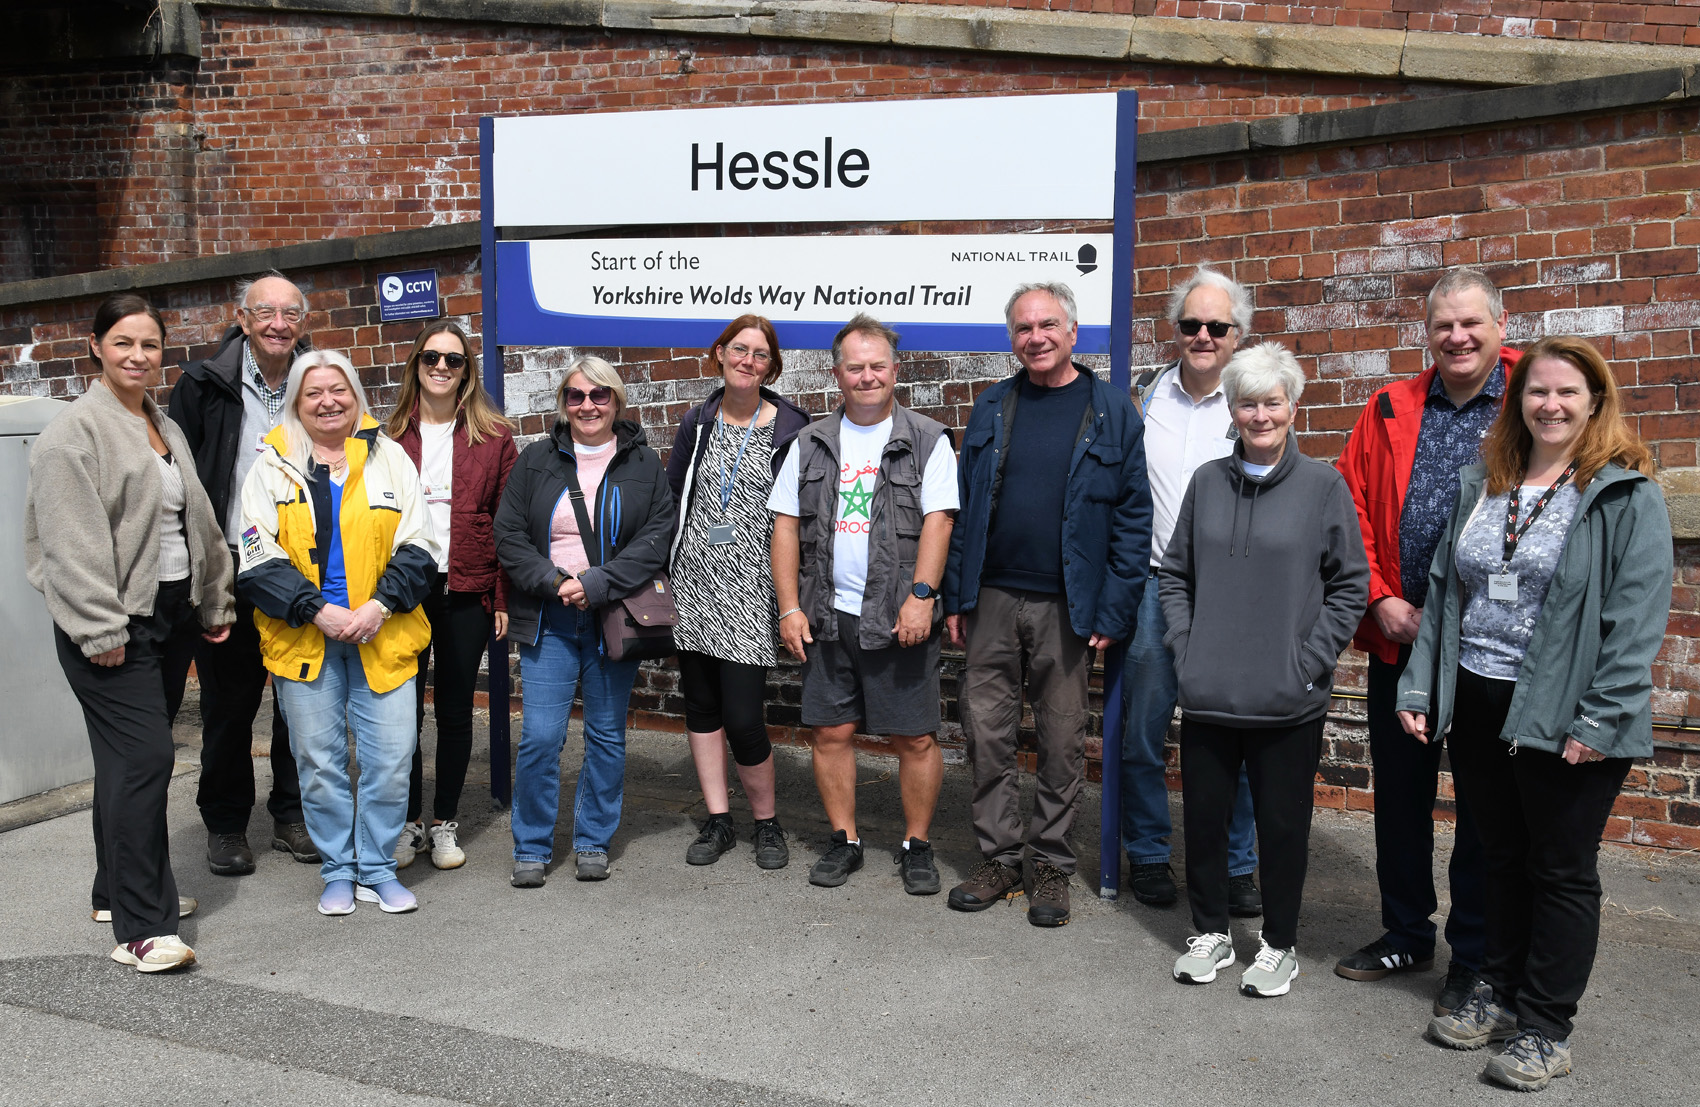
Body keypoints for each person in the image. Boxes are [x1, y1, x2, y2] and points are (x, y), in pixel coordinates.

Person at [1396, 336, 1671, 1090]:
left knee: (1560, 869)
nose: (1550, 404)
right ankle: (1500, 987)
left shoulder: (1624, 494)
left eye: (1567, 392)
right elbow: (1445, 594)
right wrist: (1422, 687)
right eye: (1537, 391)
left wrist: (1601, 718)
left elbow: (1636, 619)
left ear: (1595, 402)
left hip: (1566, 708)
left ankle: (1547, 1026)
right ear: (1518, 401)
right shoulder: (1486, 482)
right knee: (1500, 855)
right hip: (1480, 697)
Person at [25, 293, 236, 972]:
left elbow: (197, 520)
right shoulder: (73, 434)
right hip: (112, 626)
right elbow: (69, 545)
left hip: (170, 616)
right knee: (146, 759)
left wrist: (214, 601)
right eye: (123, 342)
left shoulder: (160, 422)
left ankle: (111, 890)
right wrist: (99, 628)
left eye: (149, 344)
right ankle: (143, 926)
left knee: (125, 761)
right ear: (95, 346)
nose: (138, 356)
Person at [1335, 266, 1515, 1013]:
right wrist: (1379, 598)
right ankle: (1407, 930)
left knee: (1484, 809)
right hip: (1403, 638)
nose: (1458, 337)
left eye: (1471, 323)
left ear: (1500, 326)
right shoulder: (1389, 407)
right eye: (1444, 325)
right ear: (1428, 333)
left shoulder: (1536, 397)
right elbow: (1349, 507)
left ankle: (1475, 957)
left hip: (1491, 649)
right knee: (1401, 799)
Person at [1162, 342, 1368, 997]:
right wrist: (1186, 650)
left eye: (1272, 402)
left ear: (1292, 407)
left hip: (1287, 698)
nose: (1260, 415)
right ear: (1233, 409)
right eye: (1247, 403)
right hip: (1210, 693)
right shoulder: (1206, 483)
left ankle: (1279, 945)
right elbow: (1174, 575)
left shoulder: (1322, 486)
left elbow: (1350, 585)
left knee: (1282, 830)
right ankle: (1211, 933)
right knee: (1204, 822)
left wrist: (1310, 661)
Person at [943, 282, 1151, 927]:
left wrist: (1114, 608)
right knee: (986, 734)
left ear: (1073, 332)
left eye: (1048, 325)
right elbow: (963, 507)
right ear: (1013, 338)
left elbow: (1133, 519)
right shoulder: (992, 405)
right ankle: (998, 859)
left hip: (1069, 604)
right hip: (991, 596)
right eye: (1023, 328)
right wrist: (956, 594)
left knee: (1061, 740)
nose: (1035, 338)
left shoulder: (1112, 411)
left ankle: (1052, 866)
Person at [237, 349, 438, 917]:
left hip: (382, 631)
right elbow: (255, 555)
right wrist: (315, 609)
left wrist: (379, 605)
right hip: (306, 637)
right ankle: (338, 871)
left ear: (355, 396)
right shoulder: (272, 466)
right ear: (296, 404)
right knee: (320, 764)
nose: (328, 402)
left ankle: (377, 868)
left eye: (338, 390)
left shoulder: (389, 457)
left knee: (392, 760)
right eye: (313, 393)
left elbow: (421, 544)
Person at [769, 315, 958, 894]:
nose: (867, 376)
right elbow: (784, 525)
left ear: (895, 371)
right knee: (831, 733)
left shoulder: (928, 439)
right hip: (827, 615)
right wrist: (789, 607)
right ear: (837, 374)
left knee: (915, 738)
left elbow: (939, 520)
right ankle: (844, 839)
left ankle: (917, 844)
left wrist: (921, 597)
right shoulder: (810, 442)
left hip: (899, 615)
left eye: (878, 366)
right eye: (856, 367)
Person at [495, 358, 675, 887]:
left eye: (599, 395)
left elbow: (656, 540)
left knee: (606, 735)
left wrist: (594, 584)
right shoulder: (535, 460)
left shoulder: (644, 463)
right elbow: (509, 535)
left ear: (616, 401)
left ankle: (593, 839)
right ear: (563, 403)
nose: (588, 405)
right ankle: (531, 845)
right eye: (575, 396)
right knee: (540, 737)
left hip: (612, 614)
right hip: (549, 616)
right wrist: (554, 582)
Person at [1122, 264, 1261, 915]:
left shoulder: (1254, 403)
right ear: (1175, 329)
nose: (1203, 335)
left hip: (1230, 595)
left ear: (1238, 335)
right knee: (1142, 732)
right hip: (1153, 589)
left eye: (1217, 326)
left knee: (1236, 737)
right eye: (1191, 324)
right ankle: (1149, 853)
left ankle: (1237, 865)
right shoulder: (1143, 400)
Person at [168, 269, 317, 875]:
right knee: (229, 705)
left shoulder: (319, 381)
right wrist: (198, 573)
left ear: (302, 322)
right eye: (265, 313)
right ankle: (226, 824)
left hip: (300, 566)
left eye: (290, 313)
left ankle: (292, 814)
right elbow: (180, 483)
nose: (278, 324)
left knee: (298, 700)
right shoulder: (203, 386)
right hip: (229, 565)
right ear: (243, 319)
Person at [667, 316, 811, 870]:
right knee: (702, 708)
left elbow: (801, 516)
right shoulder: (697, 421)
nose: (748, 361)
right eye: (739, 350)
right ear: (721, 354)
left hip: (753, 586)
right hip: (695, 579)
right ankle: (719, 819)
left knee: (745, 717)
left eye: (760, 354)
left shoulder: (791, 428)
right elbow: (673, 497)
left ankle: (766, 824)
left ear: (771, 366)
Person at [386, 322, 517, 871]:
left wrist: (503, 596)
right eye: (432, 357)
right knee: (403, 712)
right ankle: (408, 822)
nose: (441, 367)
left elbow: (509, 523)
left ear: (467, 371)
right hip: (404, 590)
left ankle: (443, 823)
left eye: (454, 360)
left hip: (468, 587)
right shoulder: (387, 437)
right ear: (416, 364)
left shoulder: (494, 438)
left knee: (457, 710)